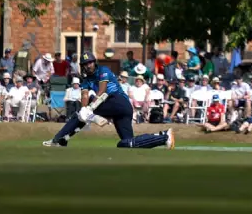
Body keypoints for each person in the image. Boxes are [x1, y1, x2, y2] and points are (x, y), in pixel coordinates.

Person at [42, 51, 174, 149]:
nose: (88, 66)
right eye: (85, 64)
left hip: (119, 102)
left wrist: (89, 109)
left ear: (94, 62)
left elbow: (102, 90)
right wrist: (84, 108)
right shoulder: (86, 80)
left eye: (90, 62)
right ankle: (164, 137)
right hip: (115, 109)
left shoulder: (103, 70)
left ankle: (59, 139)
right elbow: (84, 95)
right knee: (127, 143)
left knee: (84, 113)